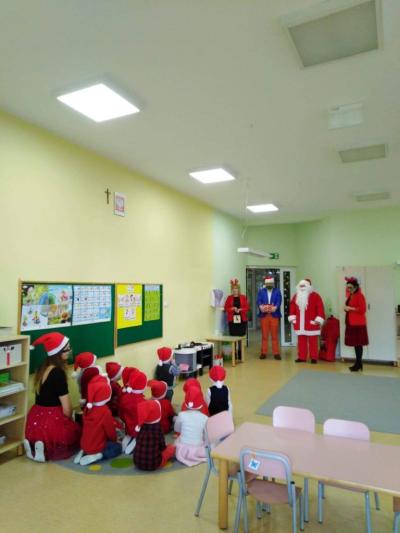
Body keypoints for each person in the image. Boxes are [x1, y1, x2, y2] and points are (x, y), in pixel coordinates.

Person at [24, 332, 81, 462]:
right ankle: (44, 448)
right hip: (52, 420)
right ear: (58, 352)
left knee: (44, 433)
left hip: (36, 418)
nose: (69, 351)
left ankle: (35, 446)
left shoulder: (42, 368)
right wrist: (69, 419)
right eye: (66, 349)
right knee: (75, 433)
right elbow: (67, 409)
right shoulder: (58, 373)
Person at [74, 375, 122, 466]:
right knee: (117, 448)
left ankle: (83, 452)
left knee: (91, 440)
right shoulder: (104, 411)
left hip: (84, 444)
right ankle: (99, 455)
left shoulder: (88, 408)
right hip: (97, 446)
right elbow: (110, 431)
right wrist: (115, 440)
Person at [289, 279, 325, 364]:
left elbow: (320, 308)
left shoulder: (315, 296)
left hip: (311, 323)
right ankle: (302, 357)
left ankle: (314, 357)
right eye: (300, 286)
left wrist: (319, 319)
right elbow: (292, 307)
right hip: (299, 323)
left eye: (304, 286)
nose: (302, 288)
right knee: (301, 341)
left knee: (313, 341)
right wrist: (293, 318)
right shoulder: (296, 296)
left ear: (309, 286)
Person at [133, 400, 176, 471]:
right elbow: (162, 446)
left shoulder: (141, 426)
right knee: (171, 448)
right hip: (154, 463)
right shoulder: (158, 428)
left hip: (137, 462)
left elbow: (137, 441)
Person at [174, 388, 208, 467]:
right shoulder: (205, 418)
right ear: (201, 404)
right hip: (197, 448)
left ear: (185, 403)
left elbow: (176, 429)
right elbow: (206, 434)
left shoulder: (181, 415)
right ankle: (196, 454)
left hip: (182, 448)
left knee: (178, 440)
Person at [119, 369, 147, 454]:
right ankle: (135, 440)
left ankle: (128, 438)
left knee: (130, 432)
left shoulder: (125, 397)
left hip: (128, 426)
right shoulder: (142, 402)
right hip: (138, 428)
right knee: (138, 434)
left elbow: (121, 413)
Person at [344, 277, 369, 372]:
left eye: (350, 287)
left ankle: (358, 364)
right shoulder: (351, 295)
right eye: (347, 287)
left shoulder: (359, 296)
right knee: (356, 344)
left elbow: (363, 310)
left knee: (358, 344)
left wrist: (350, 308)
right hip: (352, 322)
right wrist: (346, 308)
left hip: (358, 324)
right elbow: (350, 307)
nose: (348, 289)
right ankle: (359, 364)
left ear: (355, 287)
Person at [256, 275, 282, 360]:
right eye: (268, 283)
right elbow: (258, 300)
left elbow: (279, 300)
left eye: (271, 283)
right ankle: (263, 352)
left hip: (274, 315)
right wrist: (261, 306)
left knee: (274, 335)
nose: (269, 284)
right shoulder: (261, 291)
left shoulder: (277, 291)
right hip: (264, 316)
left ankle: (276, 353)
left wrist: (275, 307)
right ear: (265, 284)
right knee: (264, 335)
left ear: (273, 283)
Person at [223, 278, 249, 360]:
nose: (235, 290)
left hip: (242, 320)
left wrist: (240, 309)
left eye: (236, 289)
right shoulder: (229, 298)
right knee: (233, 337)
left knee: (240, 337)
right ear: (232, 290)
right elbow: (226, 308)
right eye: (233, 289)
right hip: (232, 321)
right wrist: (232, 308)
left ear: (238, 289)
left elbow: (247, 308)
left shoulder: (243, 297)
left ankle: (240, 355)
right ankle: (234, 355)